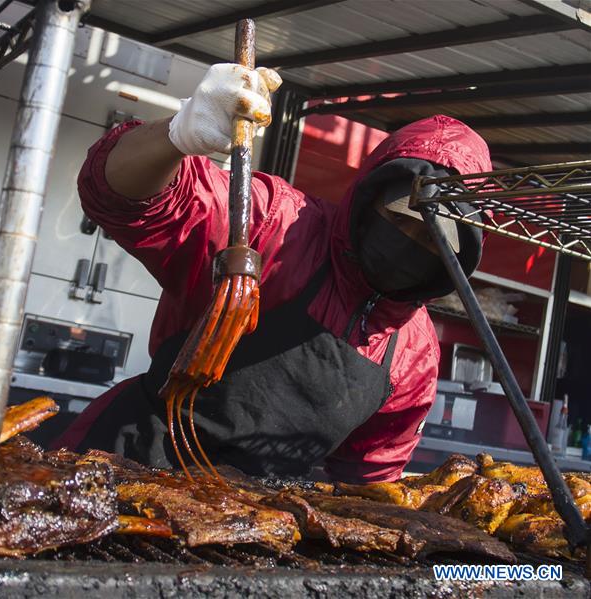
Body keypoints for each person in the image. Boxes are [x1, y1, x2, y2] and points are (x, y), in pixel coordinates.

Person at [52, 63, 491, 484]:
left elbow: (369, 480)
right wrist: (176, 136)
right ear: (370, 198)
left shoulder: (415, 353)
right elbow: (119, 198)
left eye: (433, 239)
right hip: (122, 463)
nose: (409, 245)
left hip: (252, 527)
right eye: (399, 221)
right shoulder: (275, 223)